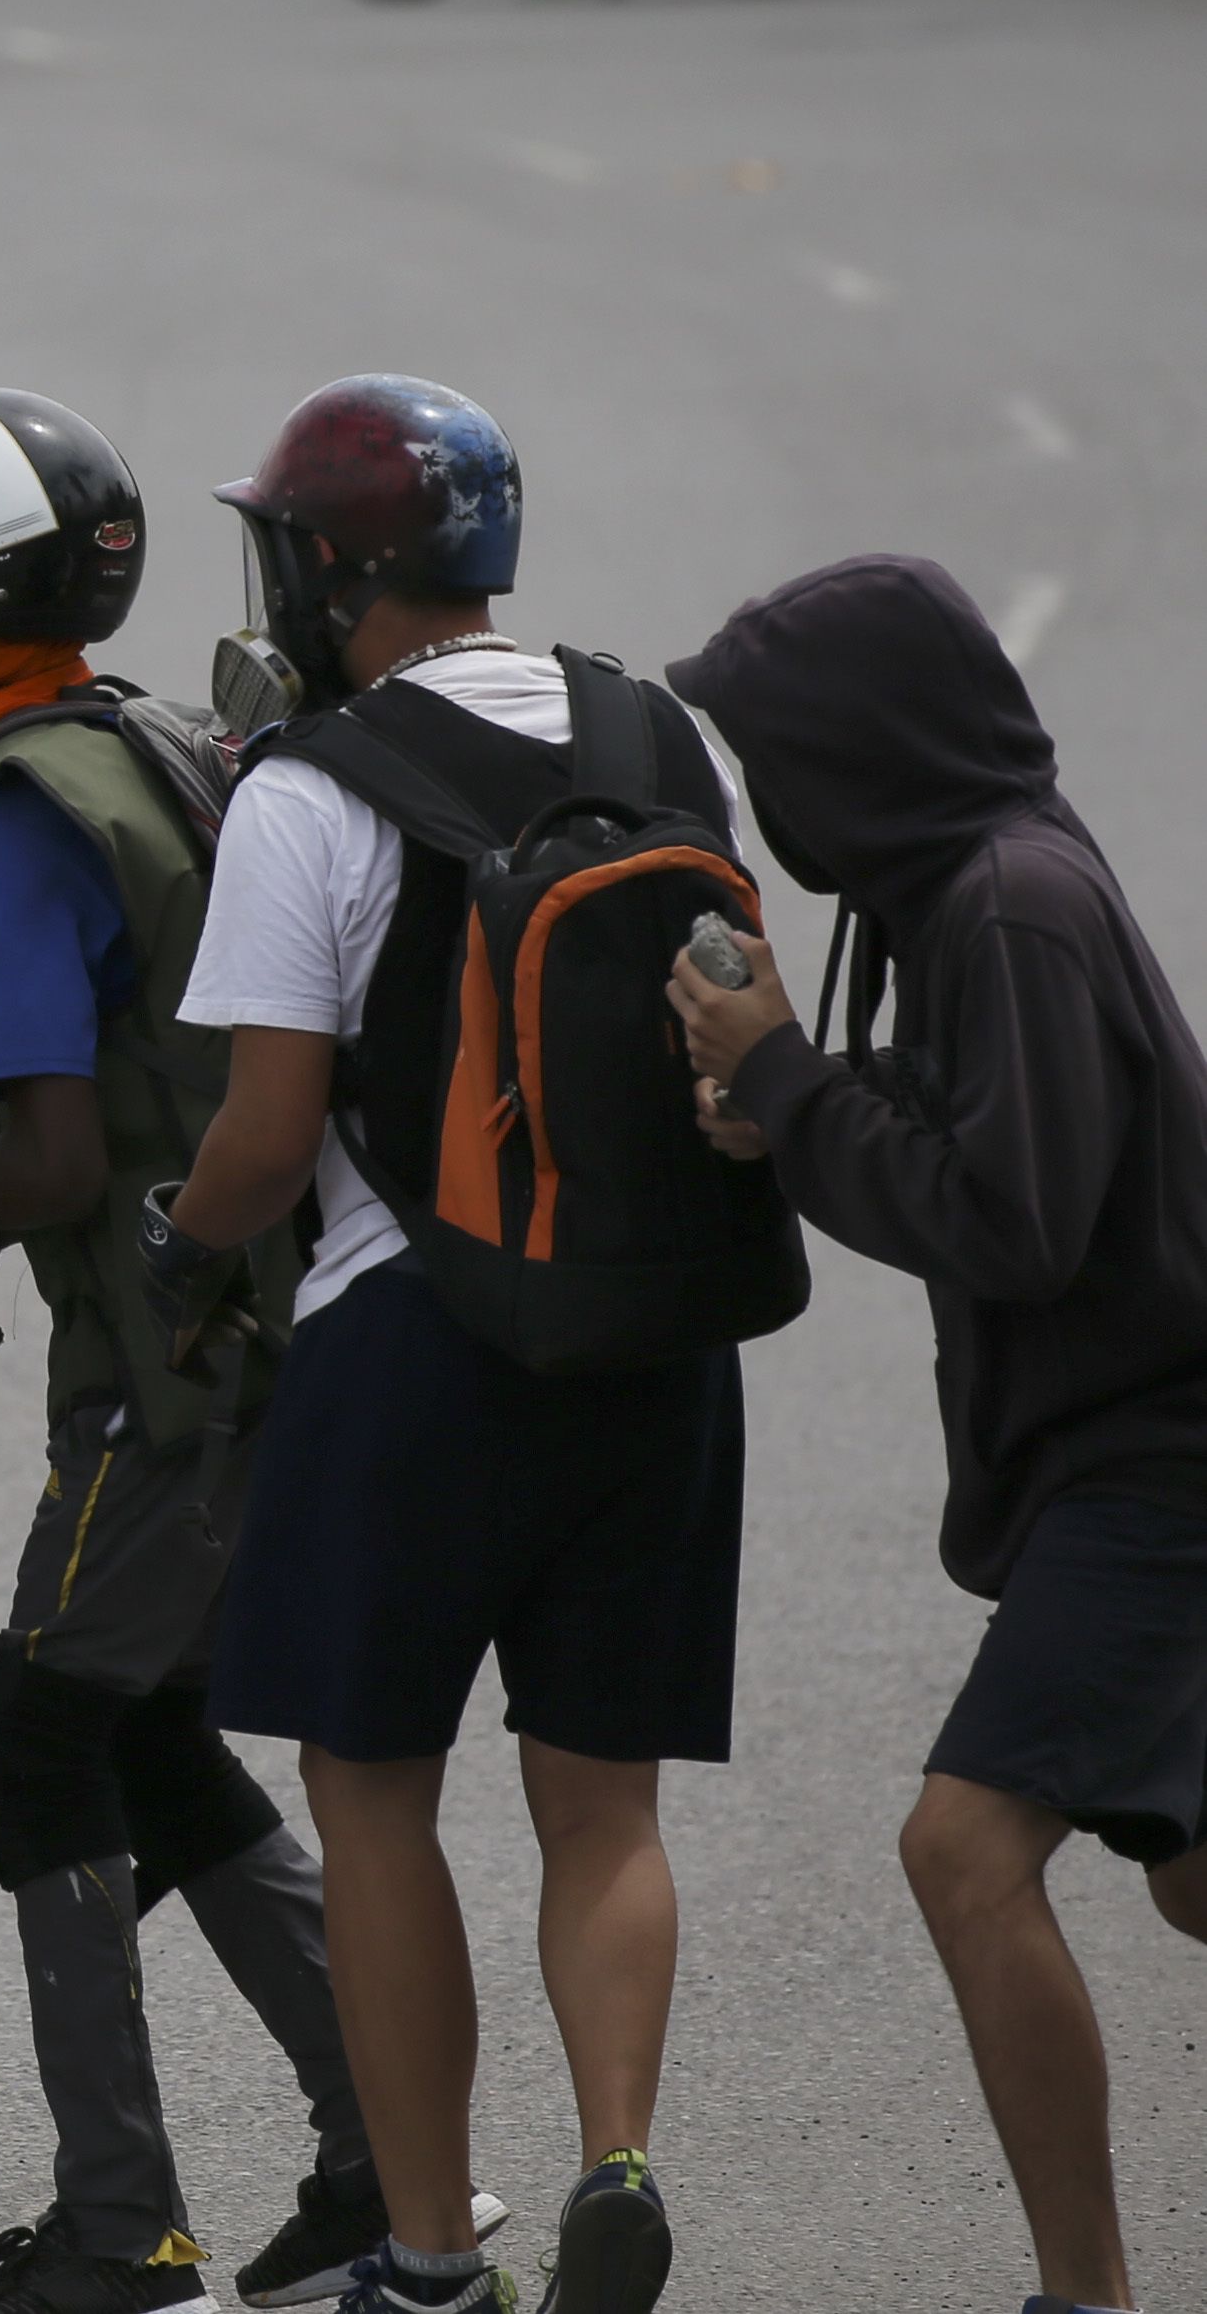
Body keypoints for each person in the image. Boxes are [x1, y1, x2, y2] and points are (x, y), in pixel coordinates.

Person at [148, 378, 749, 2314]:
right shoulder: (653, 735)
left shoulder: (307, 788)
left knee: (375, 1793)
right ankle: (621, 2152)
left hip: (406, 1346)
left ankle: (421, 2251)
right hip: (652, 1346)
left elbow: (260, 1132)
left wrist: (179, 1245)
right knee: (604, 1805)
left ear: (331, 569)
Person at [0, 392, 403, 2314]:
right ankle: (378, 2148)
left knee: (35, 1733)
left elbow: (53, 1149)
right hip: (290, 1306)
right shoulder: (136, 728)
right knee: (139, 1725)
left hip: (175, 1351)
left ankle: (118, 2228)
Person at [662, 557, 1207, 2314]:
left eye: (777, 754)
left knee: (964, 1852)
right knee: (1198, 1882)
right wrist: (809, 1093)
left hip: (1161, 1451)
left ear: (858, 751)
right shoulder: (968, 883)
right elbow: (1012, 1127)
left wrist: (790, 1085)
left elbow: (1017, 1219)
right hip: (1116, 1447)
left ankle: (1086, 2297)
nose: (766, 796)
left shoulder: (1004, 904)